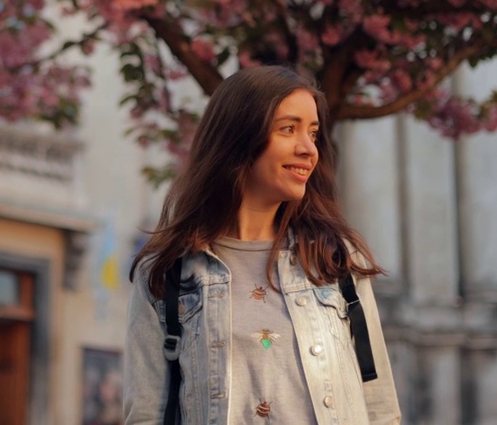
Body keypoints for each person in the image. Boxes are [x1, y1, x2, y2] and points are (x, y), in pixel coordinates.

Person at [124, 66, 401, 424]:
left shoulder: (335, 260)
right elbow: (146, 415)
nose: (308, 149)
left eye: (313, 133)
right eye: (288, 129)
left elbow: (379, 408)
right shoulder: (167, 273)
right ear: (239, 138)